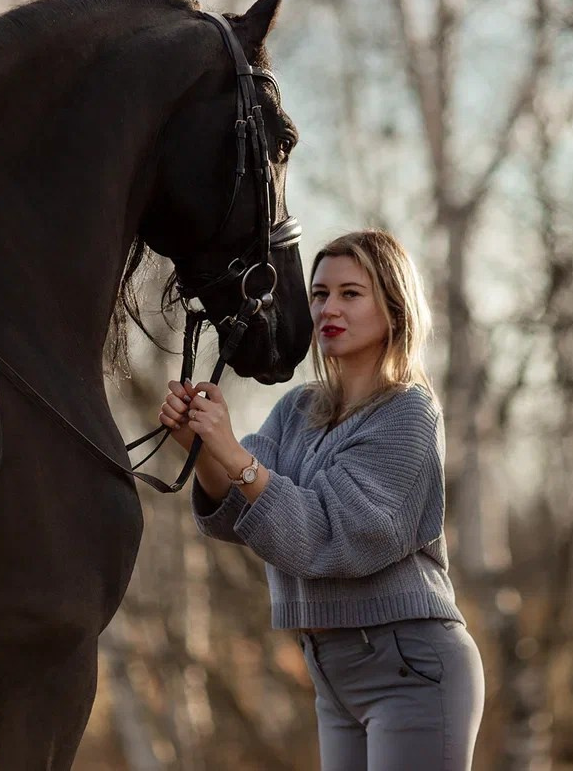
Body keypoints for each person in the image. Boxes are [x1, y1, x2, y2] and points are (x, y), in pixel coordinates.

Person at [158, 229, 484, 771]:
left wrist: (230, 453)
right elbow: (239, 515)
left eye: (350, 293)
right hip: (331, 671)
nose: (328, 307)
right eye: (318, 293)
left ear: (394, 307)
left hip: (410, 665)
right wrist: (201, 448)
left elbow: (330, 538)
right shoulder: (295, 409)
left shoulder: (407, 414)